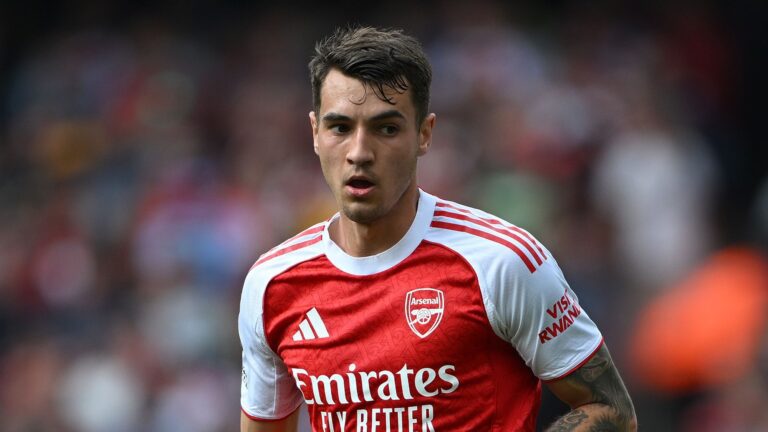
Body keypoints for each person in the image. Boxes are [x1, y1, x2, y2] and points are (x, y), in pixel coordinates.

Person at [239, 26, 637, 432]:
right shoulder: (271, 285)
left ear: (424, 134)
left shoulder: (501, 262)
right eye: (340, 128)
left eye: (386, 128)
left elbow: (612, 410)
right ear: (315, 133)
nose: (359, 153)